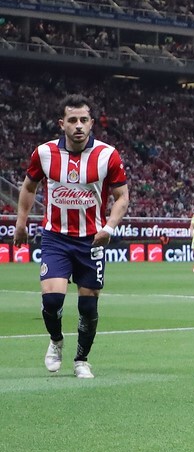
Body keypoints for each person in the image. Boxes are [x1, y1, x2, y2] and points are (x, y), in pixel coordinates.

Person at [13, 94, 130, 379]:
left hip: (92, 240)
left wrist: (109, 228)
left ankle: (81, 360)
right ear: (61, 124)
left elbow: (122, 197)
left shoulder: (107, 155)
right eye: (73, 120)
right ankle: (56, 340)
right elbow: (29, 188)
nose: (79, 126)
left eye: (84, 120)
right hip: (56, 237)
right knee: (52, 301)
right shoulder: (43, 154)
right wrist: (21, 222)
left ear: (91, 124)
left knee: (88, 306)